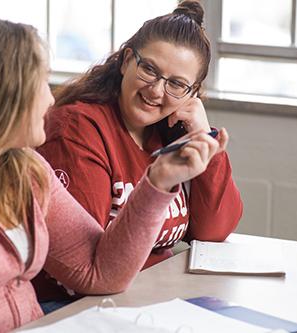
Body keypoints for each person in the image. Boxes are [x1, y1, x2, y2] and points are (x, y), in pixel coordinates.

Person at [0, 15, 227, 333]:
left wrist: (158, 182)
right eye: (42, 83)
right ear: (1, 95)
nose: (52, 99)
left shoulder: (20, 165)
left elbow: (99, 272)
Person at [34, 0, 243, 306]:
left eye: (177, 84)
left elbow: (213, 231)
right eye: (149, 70)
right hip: (75, 307)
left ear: (192, 93)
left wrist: (203, 138)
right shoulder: (76, 129)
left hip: (148, 297)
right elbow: (88, 271)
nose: (157, 91)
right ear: (126, 60)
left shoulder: (168, 134)